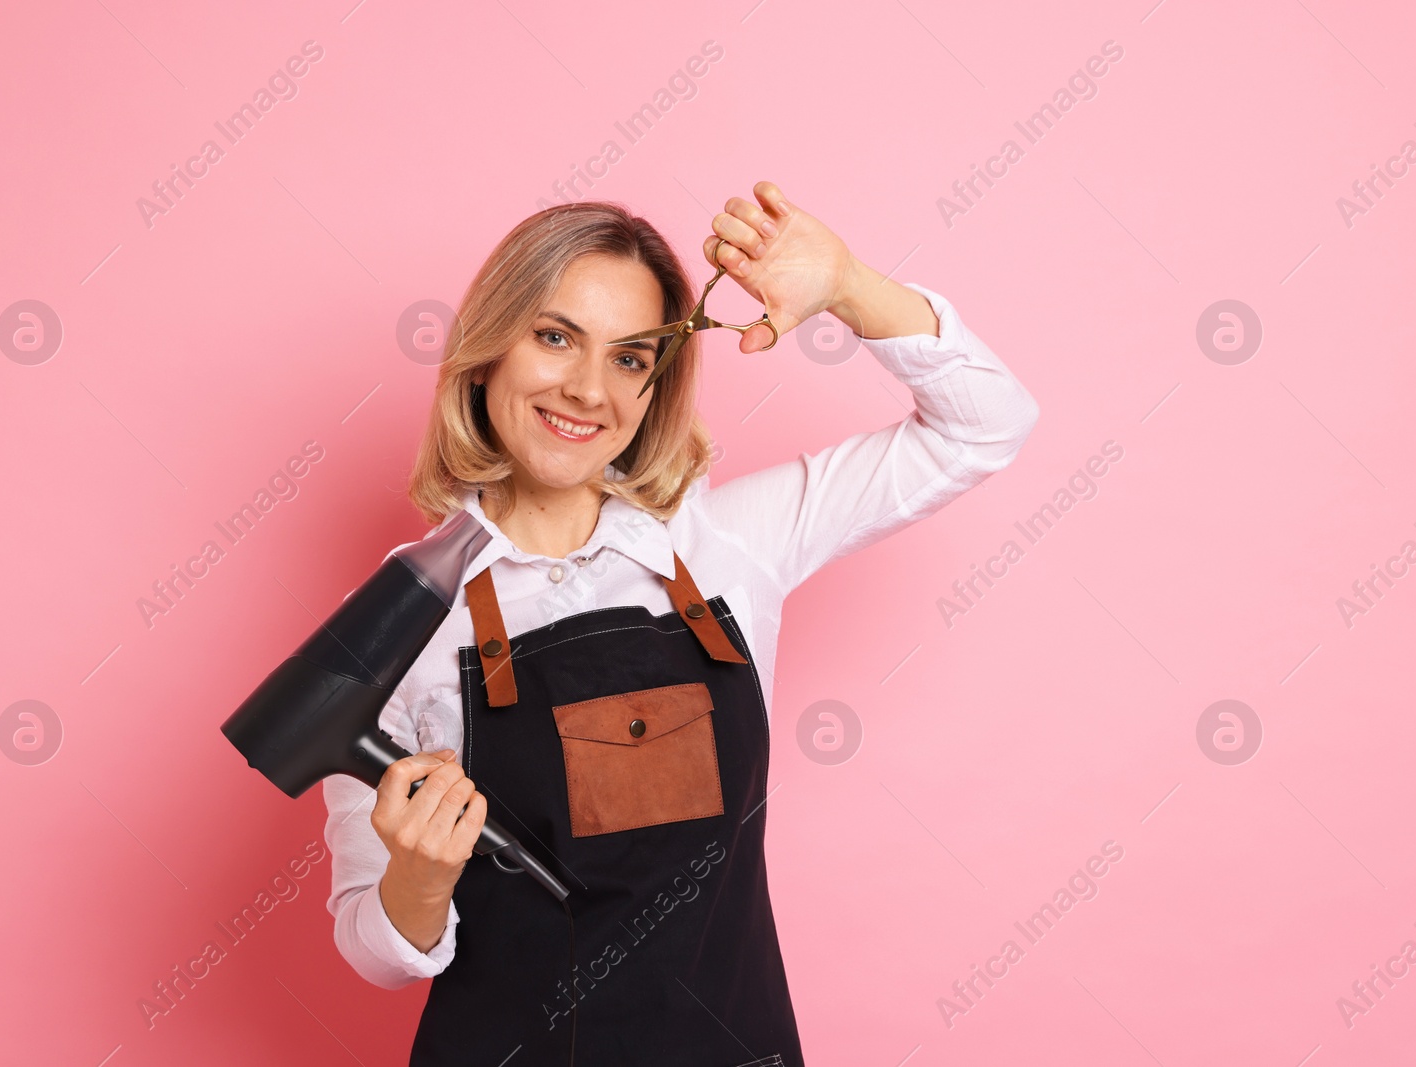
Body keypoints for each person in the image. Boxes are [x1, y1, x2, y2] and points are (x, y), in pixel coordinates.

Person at [323, 182, 1039, 1065]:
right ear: (485, 352)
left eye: (629, 357)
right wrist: (422, 874)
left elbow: (984, 428)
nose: (588, 389)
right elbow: (372, 950)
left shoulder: (730, 547)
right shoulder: (402, 616)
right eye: (555, 337)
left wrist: (848, 284)